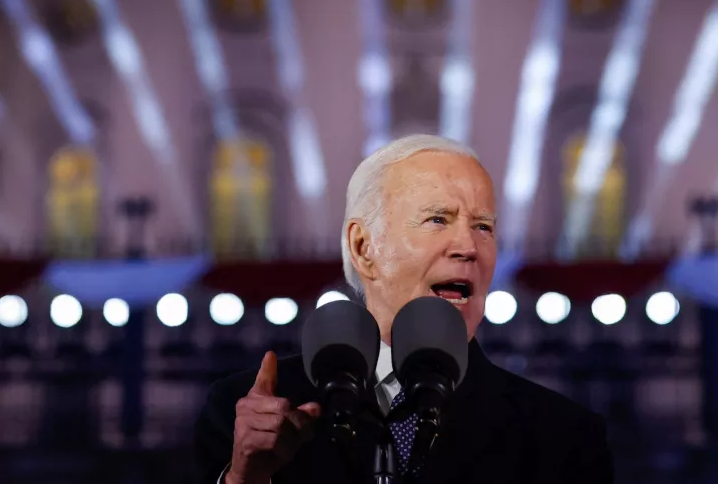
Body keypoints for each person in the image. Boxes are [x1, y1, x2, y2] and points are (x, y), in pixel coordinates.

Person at [194, 134, 614, 484]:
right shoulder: (246, 414)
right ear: (364, 248)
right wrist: (244, 480)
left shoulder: (565, 437)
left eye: (483, 226)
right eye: (437, 220)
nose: (468, 247)